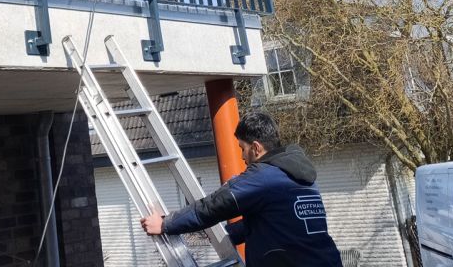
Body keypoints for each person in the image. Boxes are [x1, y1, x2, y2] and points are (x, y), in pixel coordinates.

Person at [140, 111, 342, 267]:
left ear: (256, 148)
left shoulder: (263, 177)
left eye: (242, 149)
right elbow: (270, 224)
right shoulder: (298, 175)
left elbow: (213, 205)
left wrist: (166, 224)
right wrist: (221, 235)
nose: (242, 157)